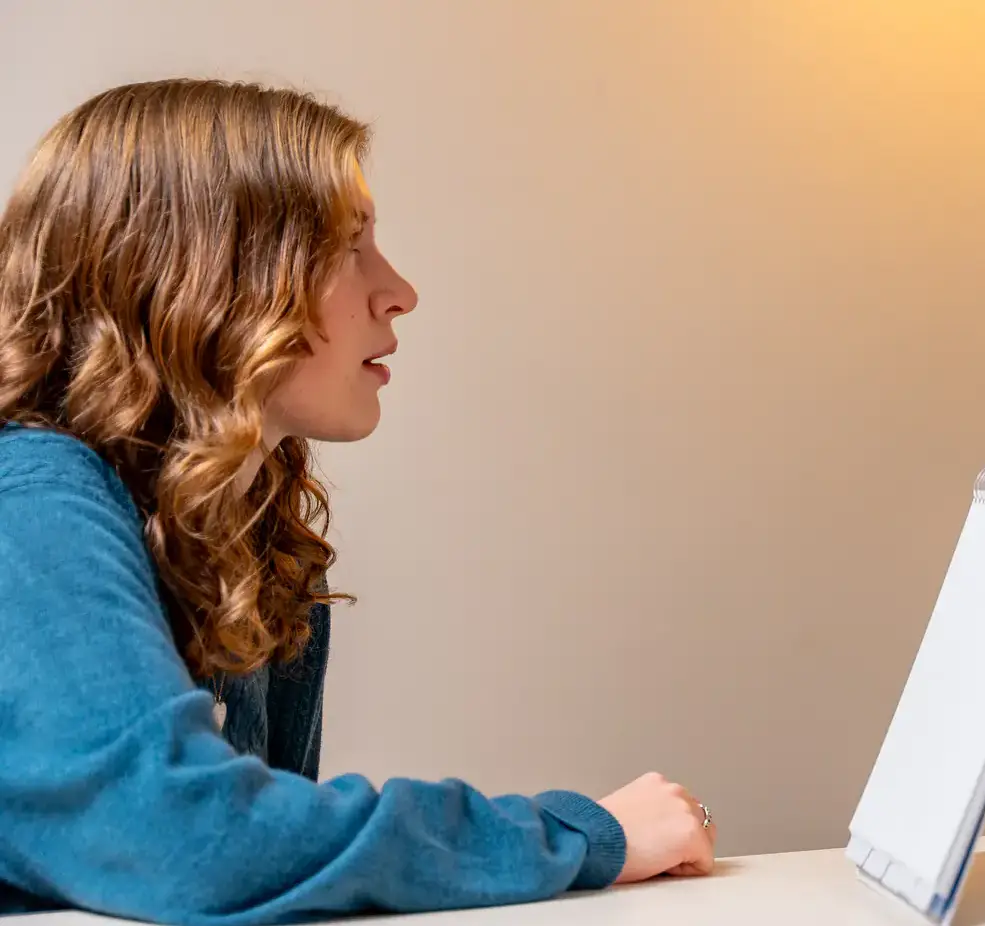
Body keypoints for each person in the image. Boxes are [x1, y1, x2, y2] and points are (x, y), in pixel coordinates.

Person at [0, 79, 717, 923]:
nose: (399, 290)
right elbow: (188, 841)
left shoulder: (255, 538)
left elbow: (266, 880)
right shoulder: (31, 501)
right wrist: (578, 836)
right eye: (348, 246)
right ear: (205, 274)